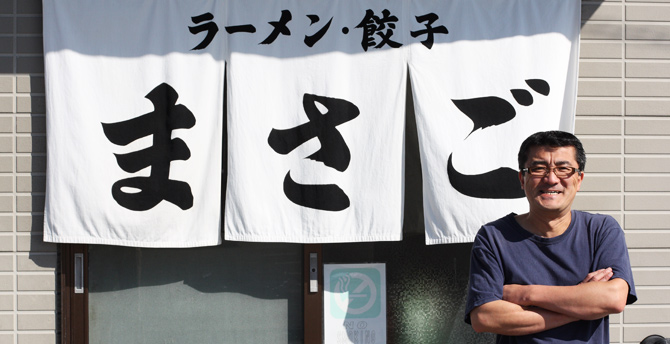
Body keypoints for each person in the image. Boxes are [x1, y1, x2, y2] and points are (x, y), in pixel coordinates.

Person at [464, 130, 636, 343]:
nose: (551, 179)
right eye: (538, 169)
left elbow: (613, 298)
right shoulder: (494, 237)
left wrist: (525, 295)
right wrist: (582, 303)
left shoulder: (601, 230)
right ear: (522, 178)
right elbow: (485, 317)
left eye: (563, 169)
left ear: (579, 179)